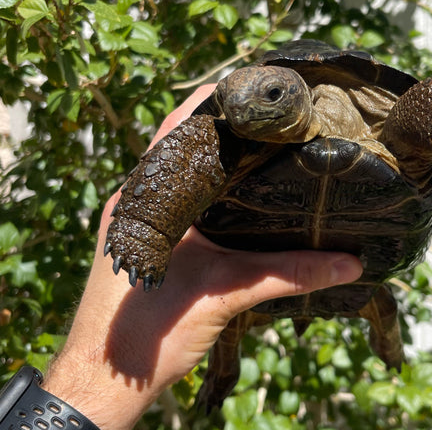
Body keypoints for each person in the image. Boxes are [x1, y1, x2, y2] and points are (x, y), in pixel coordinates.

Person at [1, 84, 363, 430]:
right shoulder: (226, 137)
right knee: (231, 326)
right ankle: (222, 375)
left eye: (270, 96)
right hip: (249, 260)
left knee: (379, 308)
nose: (238, 108)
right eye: (228, 99)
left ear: (299, 94)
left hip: (363, 264)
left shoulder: (363, 106)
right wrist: (147, 226)